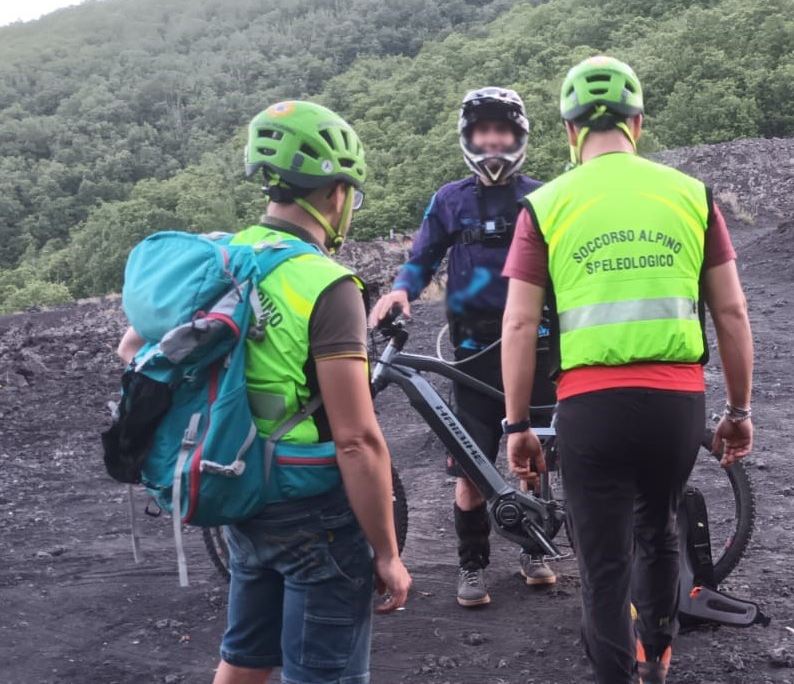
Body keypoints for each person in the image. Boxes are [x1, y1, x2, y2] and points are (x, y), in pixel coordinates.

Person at [118, 100, 411, 684]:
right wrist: (387, 552)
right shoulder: (328, 285)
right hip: (315, 508)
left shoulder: (224, 257)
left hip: (239, 489)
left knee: (246, 660)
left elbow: (132, 349)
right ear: (333, 194)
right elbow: (357, 441)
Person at [500, 57, 755, 684]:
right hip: (676, 402)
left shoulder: (545, 204)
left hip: (591, 405)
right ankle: (659, 654)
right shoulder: (692, 195)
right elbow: (730, 310)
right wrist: (739, 411)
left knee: (603, 561)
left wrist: (516, 424)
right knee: (659, 528)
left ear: (569, 132)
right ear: (638, 125)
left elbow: (516, 325)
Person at [368, 87, 558, 607]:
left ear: (518, 137)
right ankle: (472, 566)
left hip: (539, 349)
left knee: (533, 462)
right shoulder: (450, 200)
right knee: (471, 472)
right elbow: (421, 258)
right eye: (483, 132)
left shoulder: (544, 198)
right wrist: (401, 290)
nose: (493, 141)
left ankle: (534, 552)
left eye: (502, 131)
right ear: (469, 138)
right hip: (471, 354)